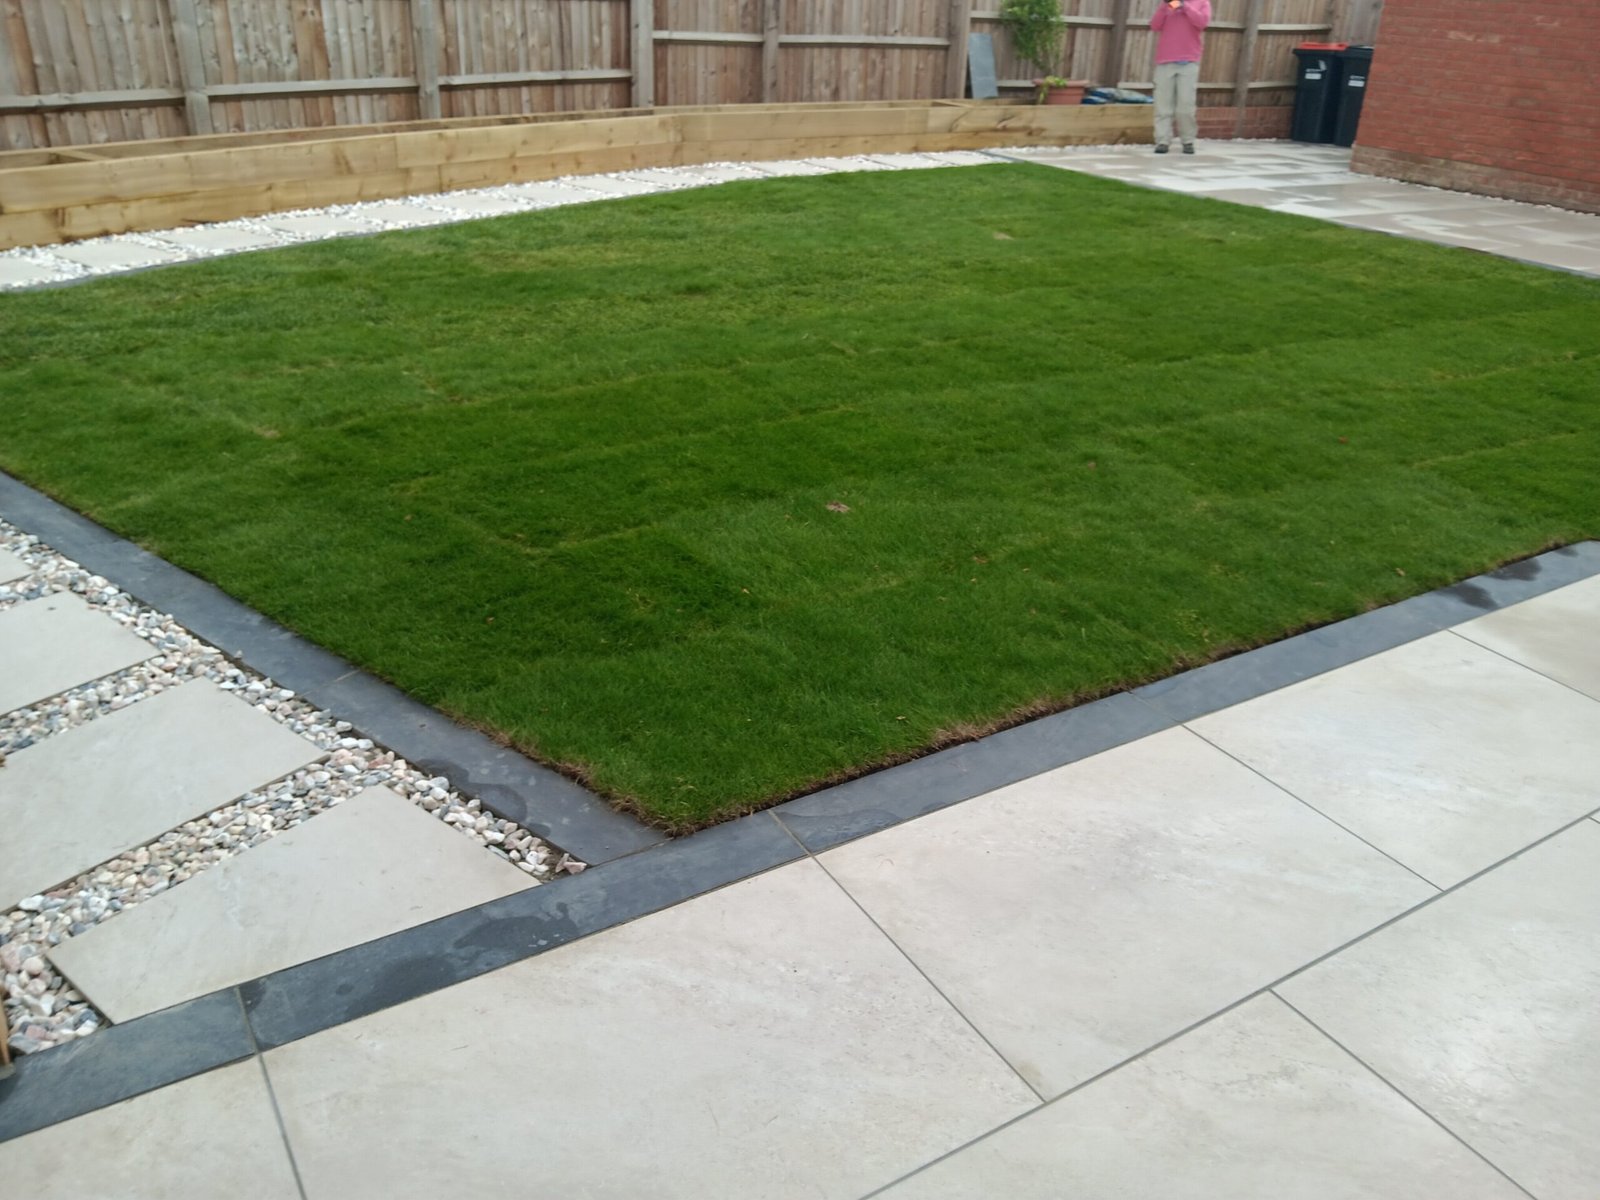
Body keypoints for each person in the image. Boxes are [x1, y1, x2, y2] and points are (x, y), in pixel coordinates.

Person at [1149, 0, 1212, 154]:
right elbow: (1155, 25)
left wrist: (1185, 6)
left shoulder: (1202, 2)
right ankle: (1162, 141)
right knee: (1163, 106)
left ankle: (1188, 141)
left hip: (1189, 61)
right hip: (1165, 61)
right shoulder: (1170, 5)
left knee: (1186, 106)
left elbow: (1202, 23)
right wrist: (1165, 6)